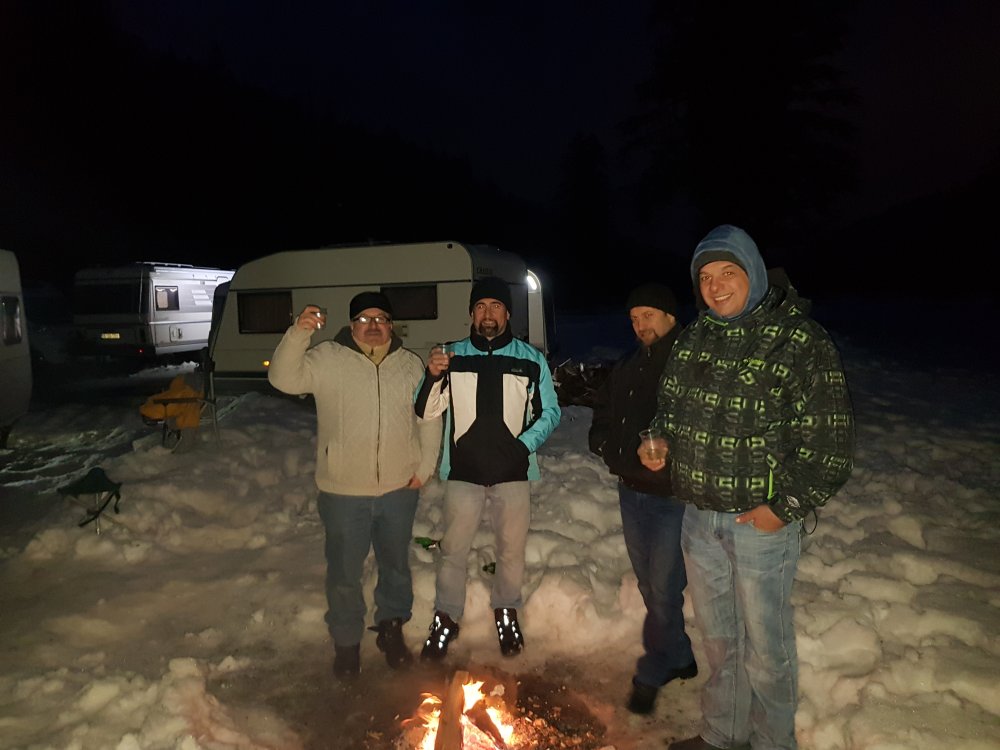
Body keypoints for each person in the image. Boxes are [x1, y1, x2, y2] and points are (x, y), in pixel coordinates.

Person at [640, 225, 855, 750]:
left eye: (727, 273)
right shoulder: (694, 338)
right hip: (699, 519)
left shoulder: (799, 340)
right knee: (720, 642)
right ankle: (723, 733)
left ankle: (772, 742)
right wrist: (661, 441)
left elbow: (830, 444)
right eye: (705, 278)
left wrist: (784, 507)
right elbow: (668, 409)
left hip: (760, 524)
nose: (715, 287)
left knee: (766, 649)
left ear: (753, 272)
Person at [267, 292, 442, 680]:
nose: (374, 325)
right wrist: (298, 333)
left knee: (395, 567)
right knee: (344, 573)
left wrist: (425, 465)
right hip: (343, 492)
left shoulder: (410, 365)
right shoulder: (327, 358)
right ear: (351, 325)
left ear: (391, 325)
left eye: (381, 318)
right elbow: (282, 378)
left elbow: (429, 416)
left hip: (399, 488)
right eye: (364, 318)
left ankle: (391, 629)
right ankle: (346, 643)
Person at [414, 276, 561, 660]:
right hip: (464, 474)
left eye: (496, 306)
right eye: (480, 307)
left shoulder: (530, 359)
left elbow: (550, 412)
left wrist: (522, 447)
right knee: (453, 551)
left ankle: (506, 610)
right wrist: (432, 376)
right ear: (471, 314)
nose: (488, 313)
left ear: (508, 313)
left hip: (513, 475)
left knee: (511, 551)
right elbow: (426, 411)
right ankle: (446, 618)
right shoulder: (452, 356)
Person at [588, 282, 697, 715]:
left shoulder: (687, 364)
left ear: (671, 317)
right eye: (634, 318)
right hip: (631, 490)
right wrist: (604, 444)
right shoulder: (630, 363)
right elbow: (604, 410)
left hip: (671, 495)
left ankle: (655, 668)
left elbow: (702, 425)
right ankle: (681, 657)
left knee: (665, 585)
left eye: (648, 315)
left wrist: (673, 454)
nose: (640, 325)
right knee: (651, 584)